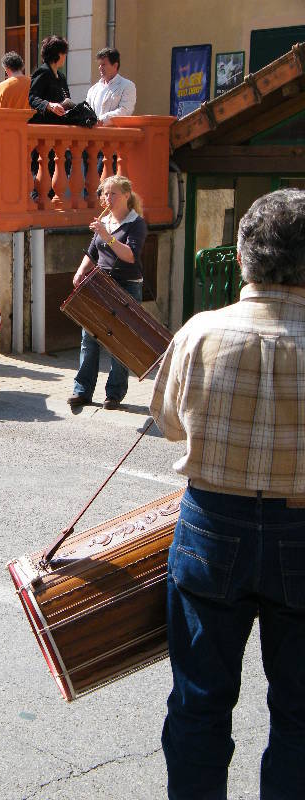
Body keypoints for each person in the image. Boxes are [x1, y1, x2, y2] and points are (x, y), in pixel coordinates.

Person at [150, 188, 305, 800]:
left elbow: (169, 423)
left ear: (242, 259)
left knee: (198, 703)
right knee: (299, 715)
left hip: (212, 526)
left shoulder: (200, 332)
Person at [68, 174, 147, 409]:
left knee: (119, 341)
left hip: (126, 285)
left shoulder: (136, 223)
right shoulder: (106, 221)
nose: (108, 198)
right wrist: (81, 271)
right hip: (99, 285)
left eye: (113, 193)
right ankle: (82, 390)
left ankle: (114, 394)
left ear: (125, 195)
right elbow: (92, 252)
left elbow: (130, 256)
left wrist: (107, 236)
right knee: (89, 338)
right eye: (105, 193)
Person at [29, 35, 74, 124]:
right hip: (44, 125)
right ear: (58, 54)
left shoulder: (61, 76)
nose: (65, 56)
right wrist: (49, 105)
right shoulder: (43, 72)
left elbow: (66, 98)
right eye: (64, 53)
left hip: (59, 124)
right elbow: (33, 98)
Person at [86, 47, 136, 125]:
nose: (100, 68)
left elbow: (125, 111)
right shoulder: (93, 90)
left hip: (114, 135)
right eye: (99, 65)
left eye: (103, 65)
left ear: (115, 66)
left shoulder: (127, 86)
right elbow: (86, 111)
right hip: (94, 135)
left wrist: (102, 120)